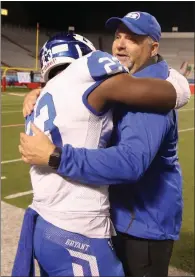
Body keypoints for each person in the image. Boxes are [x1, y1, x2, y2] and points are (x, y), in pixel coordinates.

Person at [19, 12, 191, 277]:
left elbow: (129, 163)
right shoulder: (123, 83)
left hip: (143, 225)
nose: (120, 44)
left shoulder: (150, 95)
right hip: (122, 217)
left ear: (153, 47)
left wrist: (55, 156)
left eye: (132, 39)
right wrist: (43, 91)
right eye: (118, 36)